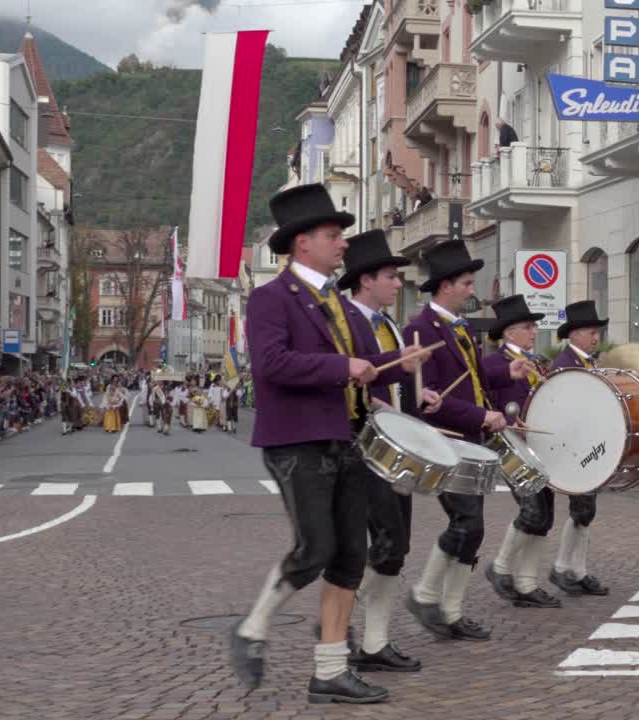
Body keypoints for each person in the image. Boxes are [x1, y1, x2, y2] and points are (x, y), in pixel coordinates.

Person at [228, 183, 430, 705]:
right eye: (333, 235)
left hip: (347, 441)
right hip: (297, 442)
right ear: (302, 243)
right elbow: (272, 365)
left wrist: (394, 372)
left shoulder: (338, 305)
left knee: (349, 558)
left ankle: (330, 671)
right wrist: (344, 367)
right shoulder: (272, 299)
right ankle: (252, 627)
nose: (343, 243)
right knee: (315, 549)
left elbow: (369, 366)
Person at [402, 239, 534, 642]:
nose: (473, 290)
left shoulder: (459, 329)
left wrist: (504, 374)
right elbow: (429, 400)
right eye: (467, 283)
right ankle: (428, 597)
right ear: (445, 286)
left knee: (471, 528)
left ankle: (449, 610)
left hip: (470, 442)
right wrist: (483, 415)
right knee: (467, 522)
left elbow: (472, 378)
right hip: (444, 442)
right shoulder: (419, 330)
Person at [340, 228, 443, 672]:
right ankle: (356, 632)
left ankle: (367, 636)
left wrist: (422, 396)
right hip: (361, 447)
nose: (398, 284)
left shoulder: (389, 328)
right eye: (390, 276)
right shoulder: (345, 324)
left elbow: (400, 383)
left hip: (396, 445)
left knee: (393, 547)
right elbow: (345, 378)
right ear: (365, 280)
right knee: (380, 544)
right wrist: (372, 399)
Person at [484, 294, 564, 609]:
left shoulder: (540, 362)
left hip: (541, 446)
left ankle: (528, 584)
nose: (534, 332)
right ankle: (501, 567)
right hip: (510, 445)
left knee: (544, 516)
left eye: (533, 326)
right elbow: (486, 400)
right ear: (508, 332)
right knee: (532, 511)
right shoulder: (493, 363)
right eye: (527, 327)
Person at [546, 300, 612, 597]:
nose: (595, 336)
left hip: (587, 443)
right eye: (589, 331)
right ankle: (563, 568)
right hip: (574, 447)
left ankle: (575, 569)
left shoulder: (587, 362)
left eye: (596, 331)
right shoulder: (564, 365)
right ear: (573, 335)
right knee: (582, 508)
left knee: (586, 510)